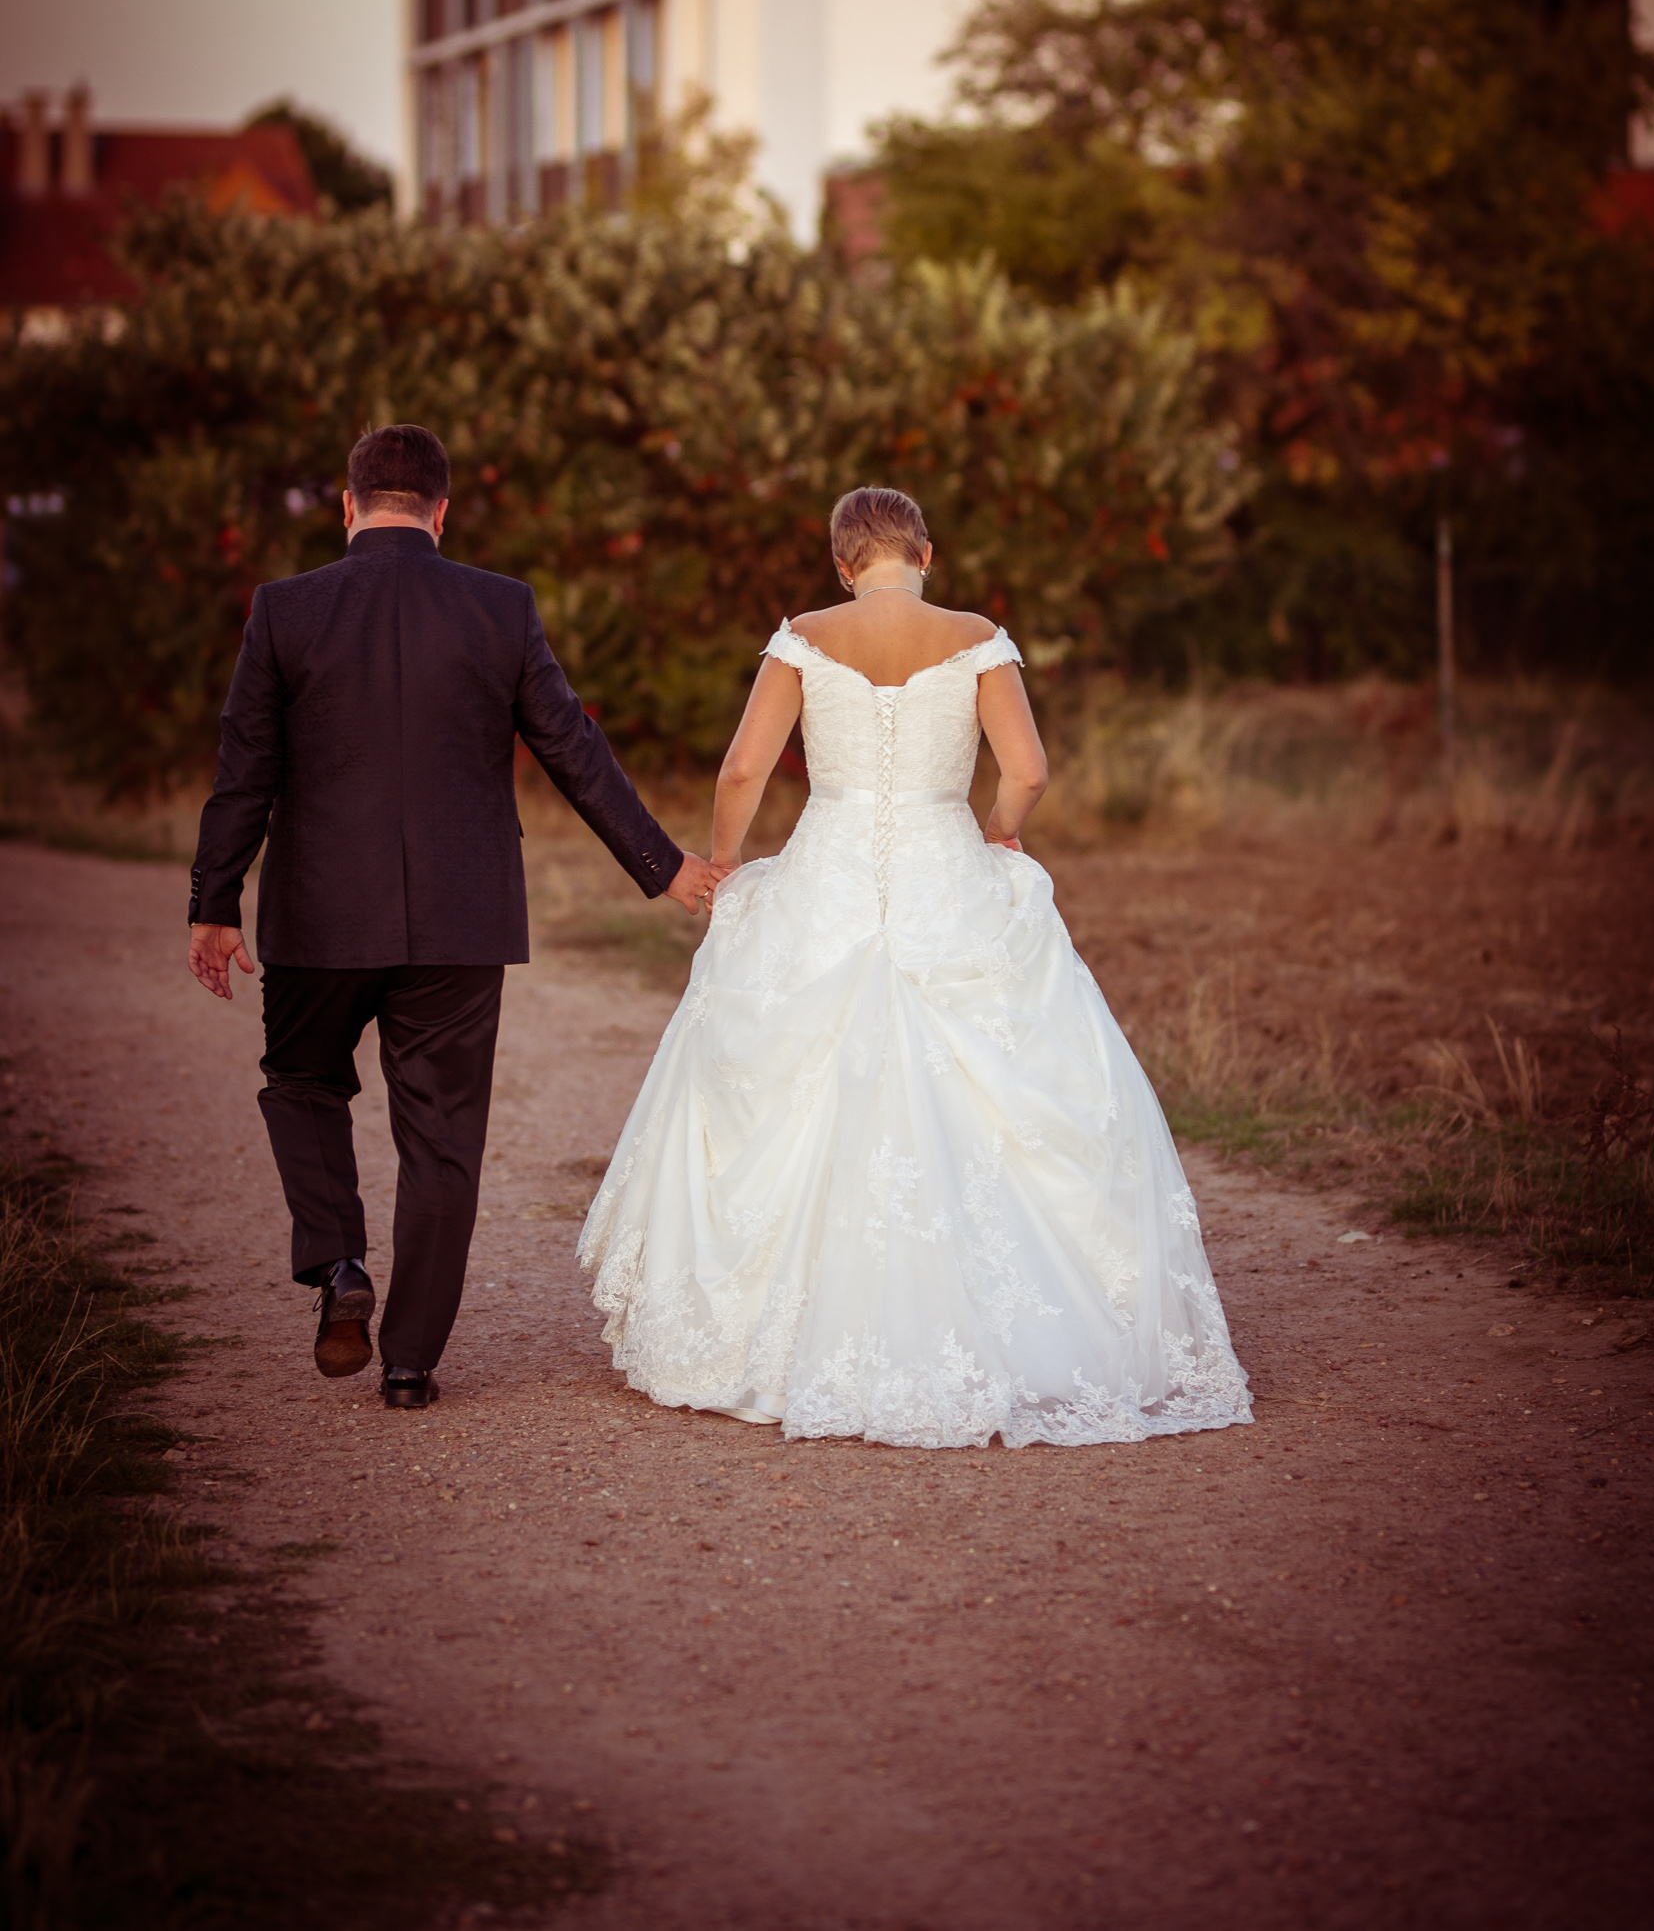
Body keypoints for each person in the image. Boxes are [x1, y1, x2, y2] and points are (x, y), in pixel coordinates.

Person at [580, 485, 1252, 1449]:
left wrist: (725, 864)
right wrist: (998, 836)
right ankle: (1023, 1327)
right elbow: (1026, 769)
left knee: (791, 1072)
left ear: (843, 563)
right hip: (944, 866)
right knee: (996, 1085)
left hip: (833, 867)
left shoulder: (803, 636)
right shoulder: (977, 636)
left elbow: (741, 769)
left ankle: (787, 1327)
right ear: (924, 553)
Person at [187, 423, 720, 1409]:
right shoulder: (499, 606)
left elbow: (243, 768)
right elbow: (573, 748)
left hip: (317, 919)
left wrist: (214, 902)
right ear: (442, 510)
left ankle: (338, 1265)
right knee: (441, 1134)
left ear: (347, 507)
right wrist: (666, 866)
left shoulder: (284, 609)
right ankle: (408, 1362)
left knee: (301, 1081)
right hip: (460, 920)